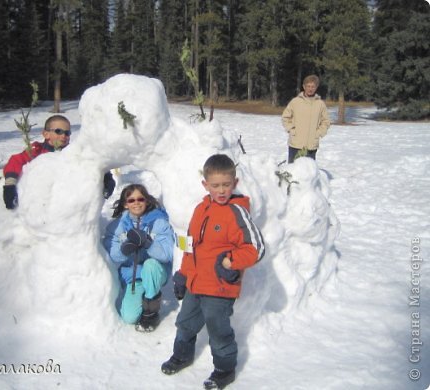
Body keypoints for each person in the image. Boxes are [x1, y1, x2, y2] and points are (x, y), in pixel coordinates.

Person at [161, 154, 265, 390]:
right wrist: (183, 274)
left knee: (218, 331)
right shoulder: (200, 209)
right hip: (196, 284)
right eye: (215, 185)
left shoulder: (237, 212)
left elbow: (256, 249)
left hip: (220, 287)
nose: (221, 190)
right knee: (185, 323)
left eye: (226, 185)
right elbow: (191, 246)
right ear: (205, 185)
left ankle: (224, 369)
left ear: (234, 183)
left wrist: (231, 262)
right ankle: (182, 356)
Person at [2, 114, 115, 209]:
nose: (63, 136)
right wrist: (10, 186)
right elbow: (15, 161)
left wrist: (106, 178)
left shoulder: (74, 152)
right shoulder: (37, 150)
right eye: (58, 131)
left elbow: (92, 162)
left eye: (67, 133)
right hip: (39, 206)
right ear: (46, 134)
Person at [102, 184, 174, 332]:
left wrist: (149, 244)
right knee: (129, 317)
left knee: (150, 265)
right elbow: (113, 256)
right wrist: (124, 249)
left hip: (155, 271)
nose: (136, 203)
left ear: (146, 201)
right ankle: (141, 298)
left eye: (140, 199)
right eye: (131, 200)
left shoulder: (159, 222)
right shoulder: (116, 227)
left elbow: (167, 254)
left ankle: (151, 313)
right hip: (133, 276)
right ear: (125, 204)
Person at [281, 74, 331, 163]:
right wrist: (292, 130)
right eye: (308, 86)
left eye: (313, 86)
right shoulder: (295, 102)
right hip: (296, 144)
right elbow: (285, 117)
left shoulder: (320, 104)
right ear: (304, 87)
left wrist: (318, 133)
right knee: (293, 171)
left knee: (309, 173)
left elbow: (326, 121)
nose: (310, 89)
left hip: (311, 145)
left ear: (316, 88)